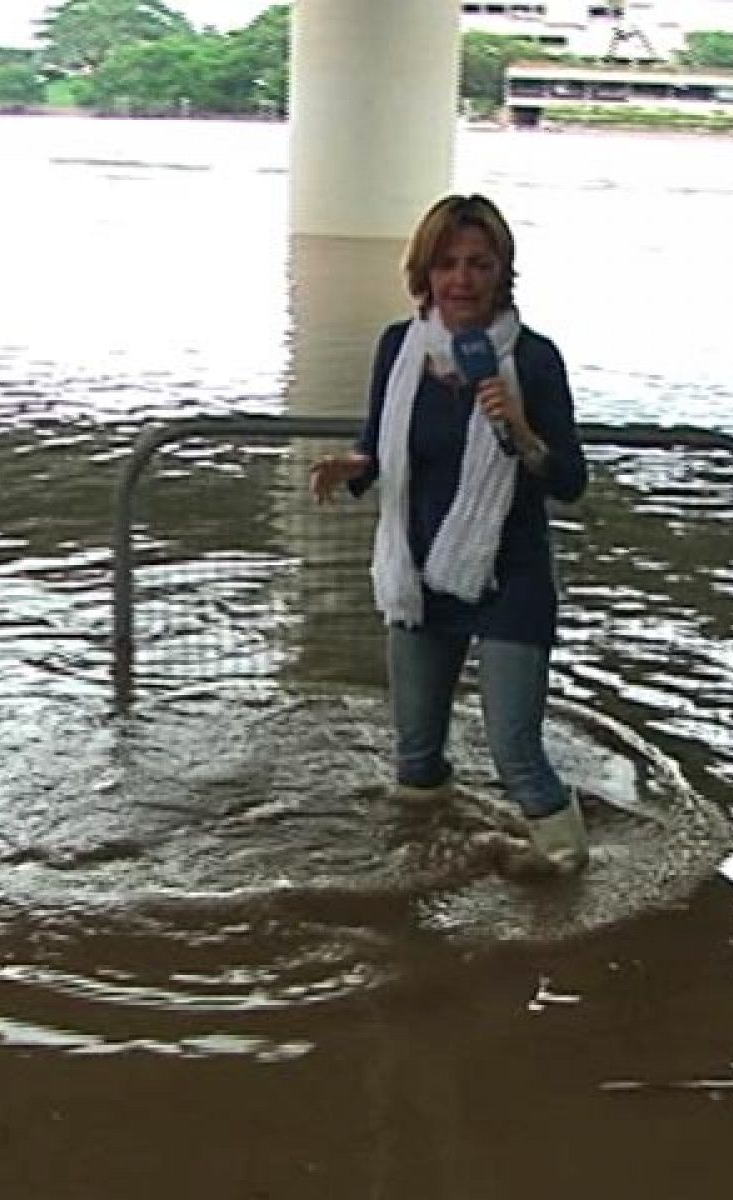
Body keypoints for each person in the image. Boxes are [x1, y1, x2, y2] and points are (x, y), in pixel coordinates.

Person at [309, 193, 590, 874]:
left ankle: (572, 878)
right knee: (414, 759)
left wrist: (523, 432)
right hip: (418, 574)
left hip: (509, 579)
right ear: (424, 274)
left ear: (502, 273)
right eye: (447, 264)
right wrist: (355, 465)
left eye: (478, 264)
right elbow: (381, 446)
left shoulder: (535, 359)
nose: (461, 280)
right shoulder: (398, 348)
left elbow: (571, 481)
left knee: (516, 754)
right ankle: (423, 877)